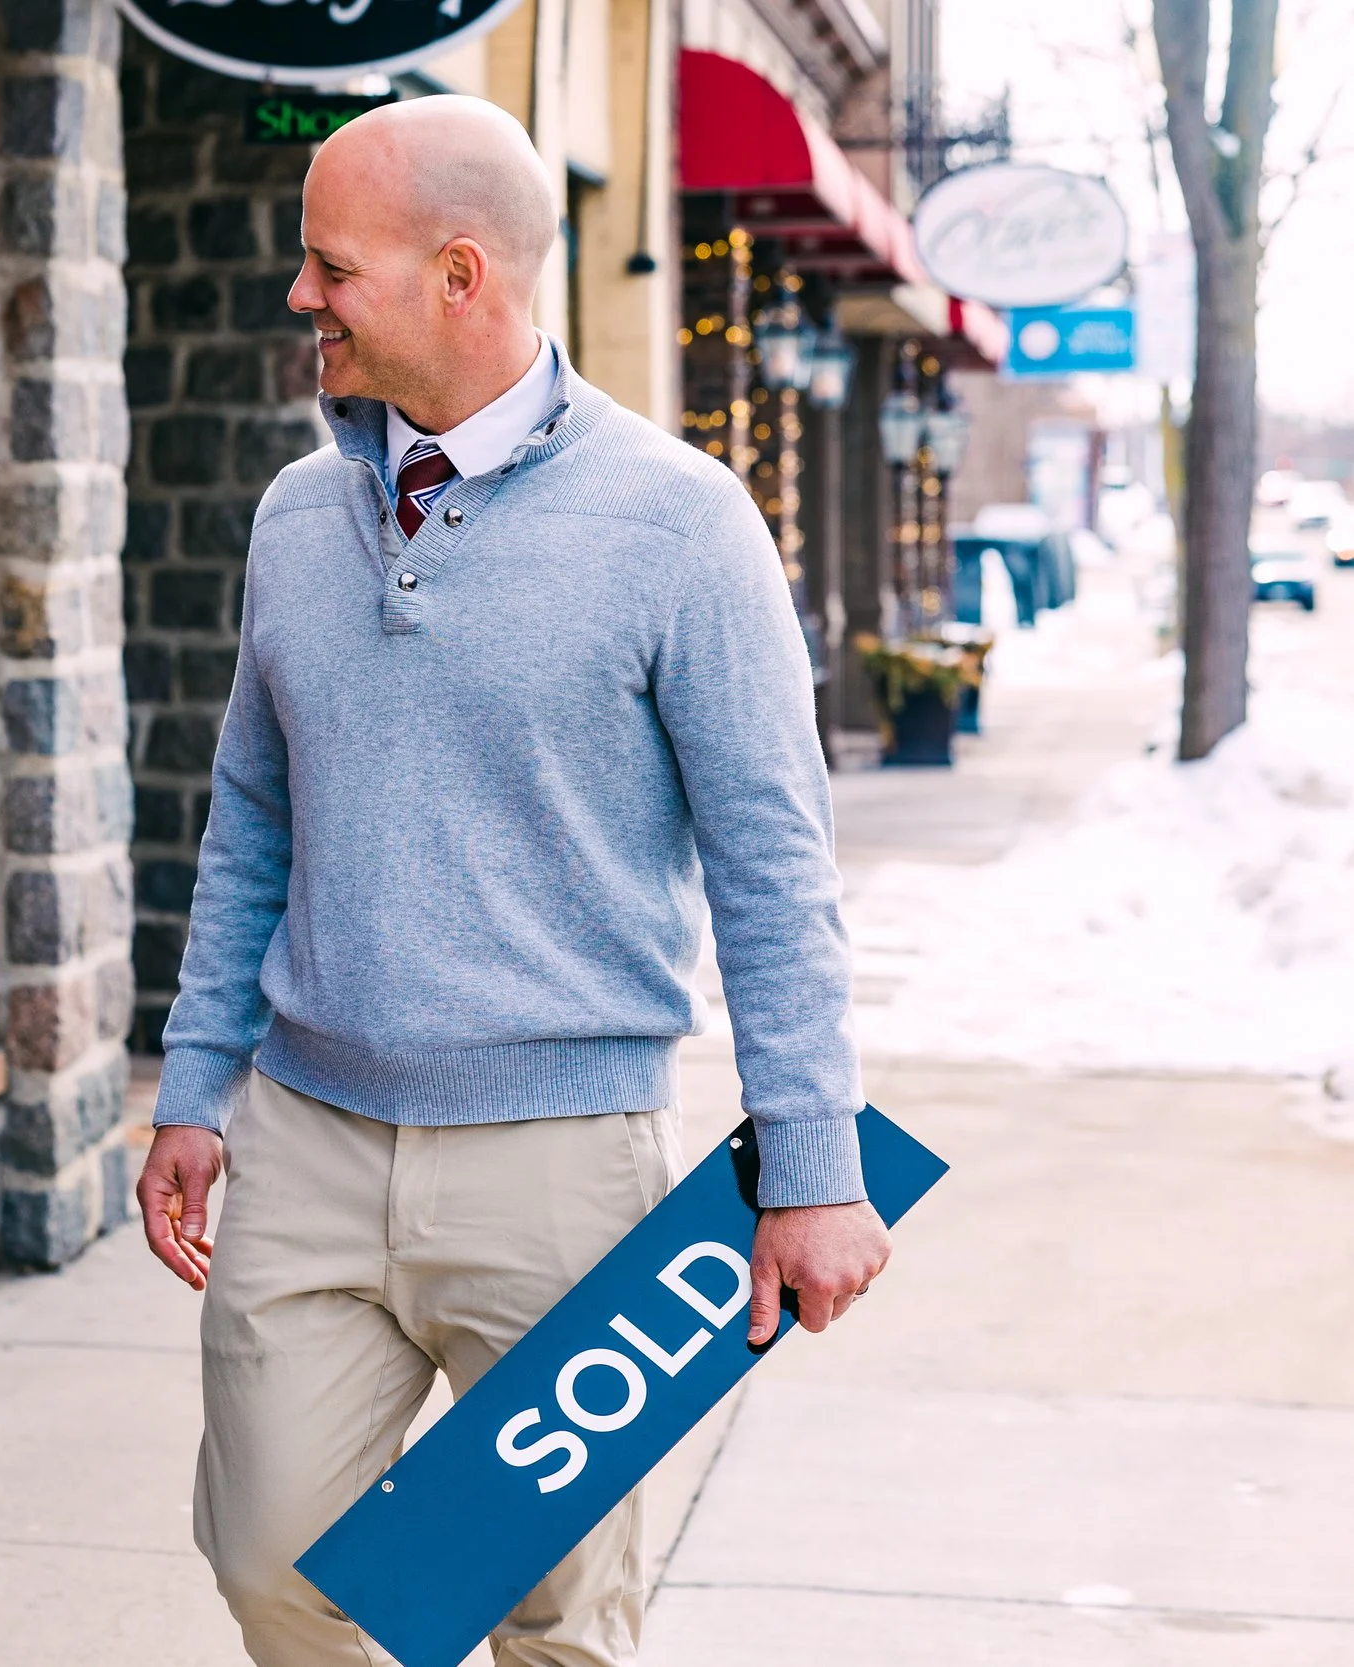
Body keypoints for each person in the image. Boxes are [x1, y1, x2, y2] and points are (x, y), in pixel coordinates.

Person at [134, 97, 892, 1666]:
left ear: (459, 274)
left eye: (330, 266)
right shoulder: (296, 516)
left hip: (563, 1166)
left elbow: (773, 868)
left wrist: (813, 1164)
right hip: (313, 1143)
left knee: (552, 1622)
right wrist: (196, 1086)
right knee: (280, 1564)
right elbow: (252, 822)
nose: (301, 297)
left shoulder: (680, 526)